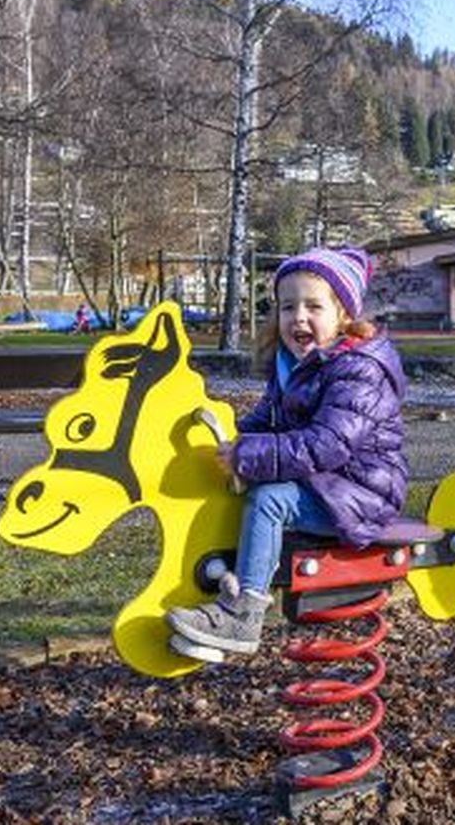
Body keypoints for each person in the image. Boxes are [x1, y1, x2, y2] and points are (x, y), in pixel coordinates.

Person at [166, 245, 408, 657]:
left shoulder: (358, 370)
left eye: (314, 306)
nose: (298, 316)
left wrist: (249, 455)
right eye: (287, 306)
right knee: (243, 489)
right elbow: (263, 422)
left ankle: (242, 617)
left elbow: (328, 445)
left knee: (269, 499)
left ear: (344, 316)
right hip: (327, 486)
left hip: (362, 494)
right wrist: (226, 440)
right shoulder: (292, 366)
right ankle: (227, 587)